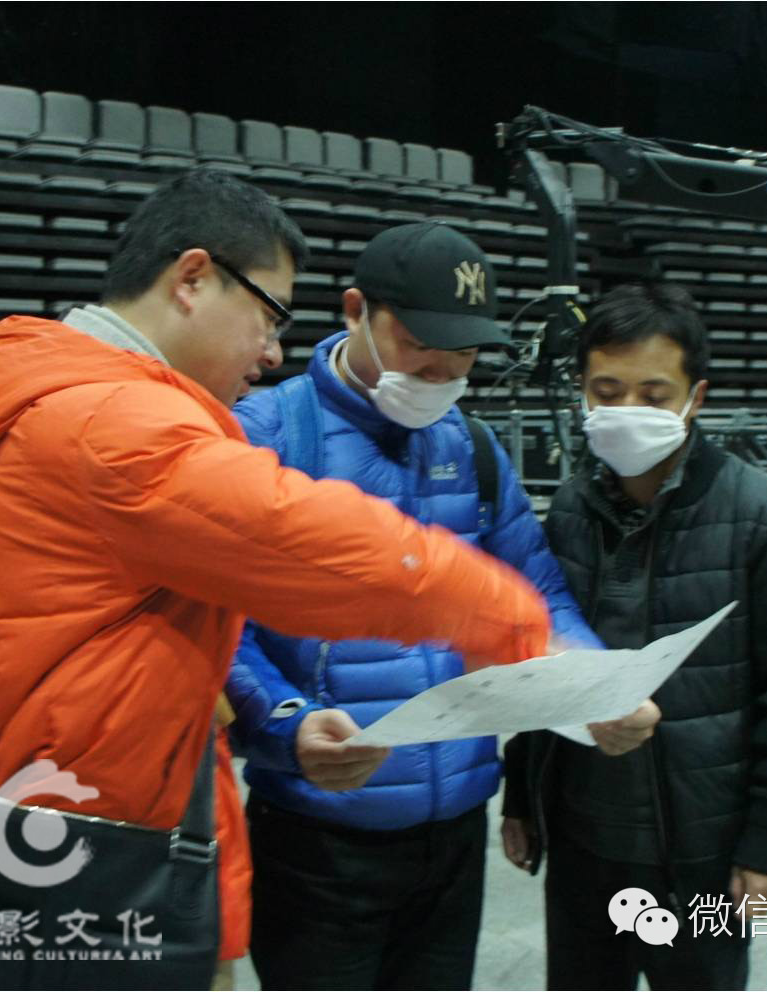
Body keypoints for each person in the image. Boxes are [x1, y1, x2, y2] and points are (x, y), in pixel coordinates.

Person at [0, 171, 560, 983]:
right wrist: (507, 617)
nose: (272, 350)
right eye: (268, 314)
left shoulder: (67, 403)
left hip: (85, 821)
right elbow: (316, 548)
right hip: (103, 849)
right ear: (193, 278)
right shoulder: (113, 422)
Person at [225, 221, 659, 990]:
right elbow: (219, 627)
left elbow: (537, 594)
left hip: (455, 833)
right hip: (318, 837)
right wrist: (287, 722)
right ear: (356, 311)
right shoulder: (263, 437)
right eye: (422, 343)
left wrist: (597, 686)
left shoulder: (471, 448)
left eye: (464, 352)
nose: (444, 370)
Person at [501, 282, 767, 990]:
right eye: (607, 391)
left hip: (701, 852)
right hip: (583, 840)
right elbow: (542, 661)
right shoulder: (571, 508)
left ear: (696, 397)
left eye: (654, 395)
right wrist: (523, 797)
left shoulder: (762, 513)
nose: (628, 410)